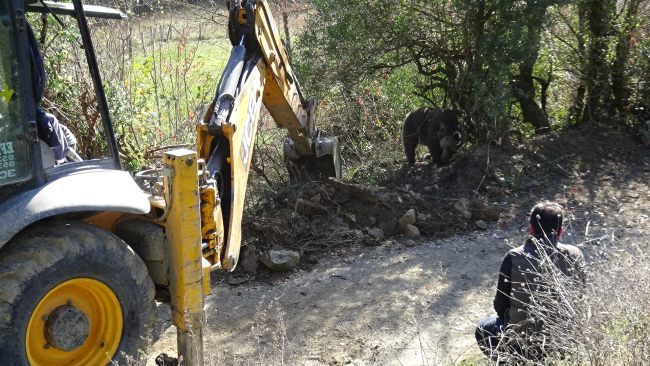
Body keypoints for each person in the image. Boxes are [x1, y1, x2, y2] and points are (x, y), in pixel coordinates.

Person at [475, 201, 585, 361]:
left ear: (531, 229)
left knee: (484, 327)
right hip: (561, 342)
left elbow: (501, 306)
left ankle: (512, 362)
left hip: (521, 343)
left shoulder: (514, 257)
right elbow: (579, 298)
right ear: (560, 232)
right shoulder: (575, 255)